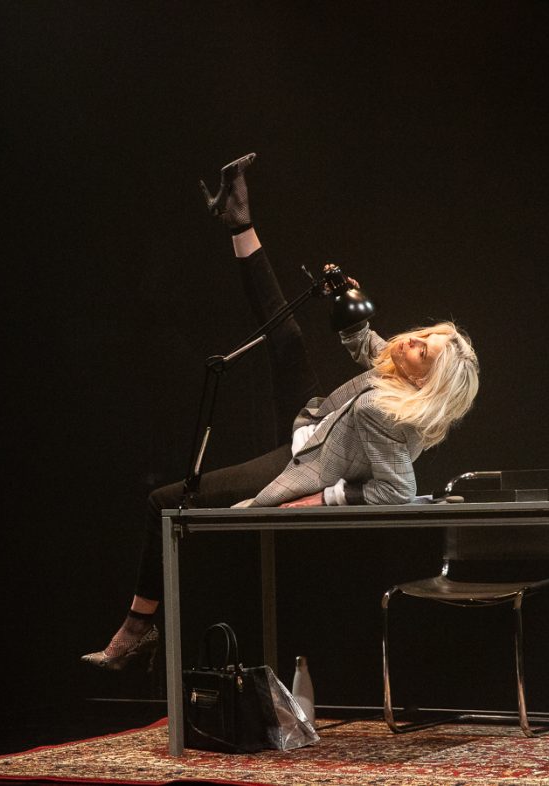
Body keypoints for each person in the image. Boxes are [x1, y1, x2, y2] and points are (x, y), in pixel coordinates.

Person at [81, 154, 479, 670]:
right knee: (285, 335)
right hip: (314, 424)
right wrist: (347, 299)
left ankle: (138, 628)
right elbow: (366, 344)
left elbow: (397, 492)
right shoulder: (400, 378)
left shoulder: (384, 413)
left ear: (428, 382)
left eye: (422, 350)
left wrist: (321, 499)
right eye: (422, 336)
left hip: (304, 462)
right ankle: (239, 221)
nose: (411, 341)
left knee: (165, 502)